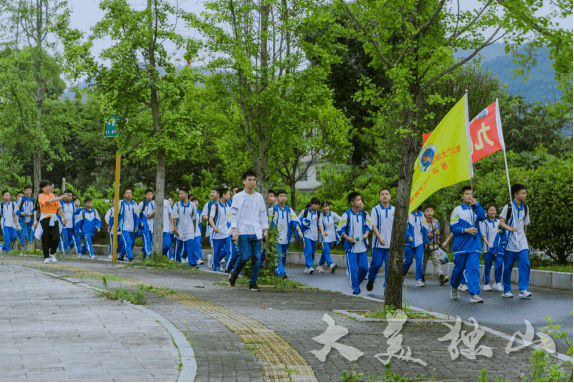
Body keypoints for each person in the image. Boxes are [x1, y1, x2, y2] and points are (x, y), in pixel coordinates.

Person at [228, 170, 269, 291]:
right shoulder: (238, 197)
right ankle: (234, 273)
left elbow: (263, 214)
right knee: (245, 256)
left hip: (256, 231)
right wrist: (234, 230)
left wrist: (265, 229)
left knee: (256, 257)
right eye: (249, 180)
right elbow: (233, 214)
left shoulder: (259, 197)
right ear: (244, 181)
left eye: (254, 180)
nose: (252, 182)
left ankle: (253, 283)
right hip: (243, 231)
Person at [449, 186, 486, 303]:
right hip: (460, 246)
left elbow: (483, 216)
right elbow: (453, 227)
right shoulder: (457, 210)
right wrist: (466, 230)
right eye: (467, 194)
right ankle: (454, 286)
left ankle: (475, 294)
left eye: (471, 194)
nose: (469, 196)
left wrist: (477, 205)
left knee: (474, 269)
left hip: (474, 245)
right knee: (459, 269)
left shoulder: (476, 208)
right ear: (462, 196)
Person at [499, 184, 532, 299]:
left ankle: (523, 289)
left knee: (525, 264)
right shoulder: (508, 207)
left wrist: (524, 238)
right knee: (508, 266)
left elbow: (525, 225)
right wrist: (510, 229)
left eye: (525, 193)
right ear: (516, 194)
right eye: (523, 193)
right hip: (510, 241)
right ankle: (506, 290)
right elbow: (501, 222)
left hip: (522, 242)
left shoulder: (525, 208)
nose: (525, 195)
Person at [336, 192, 372, 295]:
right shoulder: (346, 215)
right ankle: (355, 288)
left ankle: (356, 283)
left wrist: (366, 234)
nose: (360, 201)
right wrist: (348, 239)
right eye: (357, 200)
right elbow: (340, 230)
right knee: (352, 269)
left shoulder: (364, 214)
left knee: (365, 268)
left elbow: (368, 226)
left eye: (360, 199)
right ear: (352, 203)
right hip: (351, 247)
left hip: (362, 247)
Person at [271, 189, 303, 279]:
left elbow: (295, 222)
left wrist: (299, 231)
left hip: (286, 238)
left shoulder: (289, 210)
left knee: (283, 258)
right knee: (278, 256)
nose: (283, 198)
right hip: (276, 239)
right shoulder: (274, 210)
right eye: (281, 196)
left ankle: (276, 272)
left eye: (285, 196)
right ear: (277, 197)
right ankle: (282, 273)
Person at [366, 188, 394, 291]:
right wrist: (380, 238)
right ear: (379, 197)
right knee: (376, 264)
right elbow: (374, 226)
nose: (385, 196)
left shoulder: (394, 210)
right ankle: (371, 279)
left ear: (390, 196)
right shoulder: (375, 209)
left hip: (390, 245)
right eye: (382, 194)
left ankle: (387, 286)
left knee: (388, 266)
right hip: (378, 244)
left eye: (387, 194)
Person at [35, 180, 67, 263]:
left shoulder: (54, 195)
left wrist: (63, 217)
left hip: (54, 217)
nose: (48, 188)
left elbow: (59, 208)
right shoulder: (41, 196)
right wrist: (61, 197)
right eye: (46, 186)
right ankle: (46, 257)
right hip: (45, 218)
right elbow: (49, 201)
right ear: (42, 188)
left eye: (49, 186)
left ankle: (52, 253)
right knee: (45, 238)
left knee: (56, 238)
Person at [422, 205, 450, 286]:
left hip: (434, 245)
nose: (429, 213)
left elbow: (437, 232)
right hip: (424, 245)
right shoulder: (422, 221)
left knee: (436, 261)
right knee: (423, 262)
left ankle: (441, 277)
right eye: (427, 211)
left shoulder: (436, 221)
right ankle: (421, 278)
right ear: (424, 213)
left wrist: (437, 242)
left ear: (433, 212)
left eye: (431, 211)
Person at [172, 188, 199, 267]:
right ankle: (177, 263)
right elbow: (174, 218)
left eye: (181, 193)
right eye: (179, 194)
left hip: (189, 229)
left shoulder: (192, 205)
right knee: (178, 247)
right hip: (179, 229)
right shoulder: (177, 205)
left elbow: (194, 219)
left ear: (186, 194)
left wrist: (193, 230)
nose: (179, 195)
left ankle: (193, 264)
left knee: (191, 247)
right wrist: (174, 228)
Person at [402, 205, 428, 287]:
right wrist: (408, 236)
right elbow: (404, 227)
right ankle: (401, 275)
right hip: (409, 243)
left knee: (419, 261)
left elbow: (424, 229)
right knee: (408, 261)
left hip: (419, 242)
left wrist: (425, 241)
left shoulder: (421, 215)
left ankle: (419, 280)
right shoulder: (408, 214)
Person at [480, 204, 502, 292]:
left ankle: (497, 282)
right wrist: (488, 243)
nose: (493, 212)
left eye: (494, 210)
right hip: (488, 248)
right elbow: (483, 235)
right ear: (487, 212)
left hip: (498, 248)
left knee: (499, 264)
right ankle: (486, 283)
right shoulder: (484, 222)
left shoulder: (499, 222)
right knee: (487, 265)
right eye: (491, 210)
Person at [209, 188, 232, 272]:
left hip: (227, 233)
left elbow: (230, 219)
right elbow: (210, 218)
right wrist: (214, 227)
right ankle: (216, 266)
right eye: (228, 194)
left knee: (229, 250)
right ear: (223, 195)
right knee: (217, 251)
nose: (229, 196)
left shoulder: (228, 206)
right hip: (217, 233)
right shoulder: (215, 206)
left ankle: (228, 267)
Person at [298, 197, 321, 274]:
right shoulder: (305, 211)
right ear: (311, 204)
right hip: (306, 234)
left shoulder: (318, 213)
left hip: (314, 235)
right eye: (315, 204)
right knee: (308, 250)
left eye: (318, 205)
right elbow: (297, 220)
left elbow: (320, 224)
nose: (316, 206)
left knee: (312, 252)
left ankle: (307, 265)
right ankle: (310, 266)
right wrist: (302, 224)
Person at [317, 200, 340, 274]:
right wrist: (322, 232)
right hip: (323, 238)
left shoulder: (333, 214)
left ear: (329, 206)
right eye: (323, 207)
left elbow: (341, 220)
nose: (325, 208)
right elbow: (320, 224)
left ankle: (320, 265)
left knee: (325, 252)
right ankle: (331, 264)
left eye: (326, 206)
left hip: (332, 237)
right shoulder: (321, 215)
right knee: (326, 251)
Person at [118, 189, 140, 262]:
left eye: (130, 193)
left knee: (132, 242)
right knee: (128, 242)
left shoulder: (134, 204)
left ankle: (121, 255)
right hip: (124, 226)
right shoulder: (121, 203)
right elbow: (116, 215)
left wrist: (137, 226)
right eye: (127, 193)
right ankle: (130, 256)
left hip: (132, 227)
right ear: (124, 195)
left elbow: (137, 216)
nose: (129, 194)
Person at [202, 187, 219, 267]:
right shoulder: (208, 204)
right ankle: (214, 263)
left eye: (213, 192)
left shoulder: (223, 203)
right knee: (214, 245)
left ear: (218, 194)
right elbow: (203, 216)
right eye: (211, 192)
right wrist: (210, 218)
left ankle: (212, 259)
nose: (211, 194)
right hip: (212, 228)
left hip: (223, 228)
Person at [16, 185, 35, 251]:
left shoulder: (33, 200)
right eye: (27, 190)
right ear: (25, 191)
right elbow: (17, 210)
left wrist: (32, 213)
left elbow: (35, 209)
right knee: (25, 234)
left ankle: (25, 249)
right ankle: (22, 249)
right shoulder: (21, 200)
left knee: (30, 236)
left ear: (32, 191)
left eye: (30, 190)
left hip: (30, 221)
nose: (29, 192)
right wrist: (21, 213)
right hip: (23, 220)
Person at [138, 189, 155, 260]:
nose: (150, 196)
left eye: (151, 194)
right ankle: (150, 256)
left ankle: (144, 256)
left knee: (150, 242)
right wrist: (141, 222)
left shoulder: (154, 203)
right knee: (147, 241)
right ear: (145, 195)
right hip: (145, 226)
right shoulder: (142, 204)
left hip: (152, 226)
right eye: (148, 194)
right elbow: (138, 214)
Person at [59, 190, 77, 255]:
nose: (69, 197)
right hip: (64, 225)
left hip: (71, 225)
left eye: (71, 196)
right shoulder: (61, 203)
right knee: (65, 239)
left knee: (69, 239)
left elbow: (74, 214)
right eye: (68, 196)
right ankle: (66, 253)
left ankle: (60, 249)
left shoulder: (72, 204)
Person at [191, 196, 204, 265]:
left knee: (198, 245)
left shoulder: (199, 212)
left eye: (197, 201)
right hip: (190, 232)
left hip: (197, 232)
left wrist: (201, 233)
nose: (196, 202)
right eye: (194, 201)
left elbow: (200, 223)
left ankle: (199, 258)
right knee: (191, 246)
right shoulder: (189, 210)